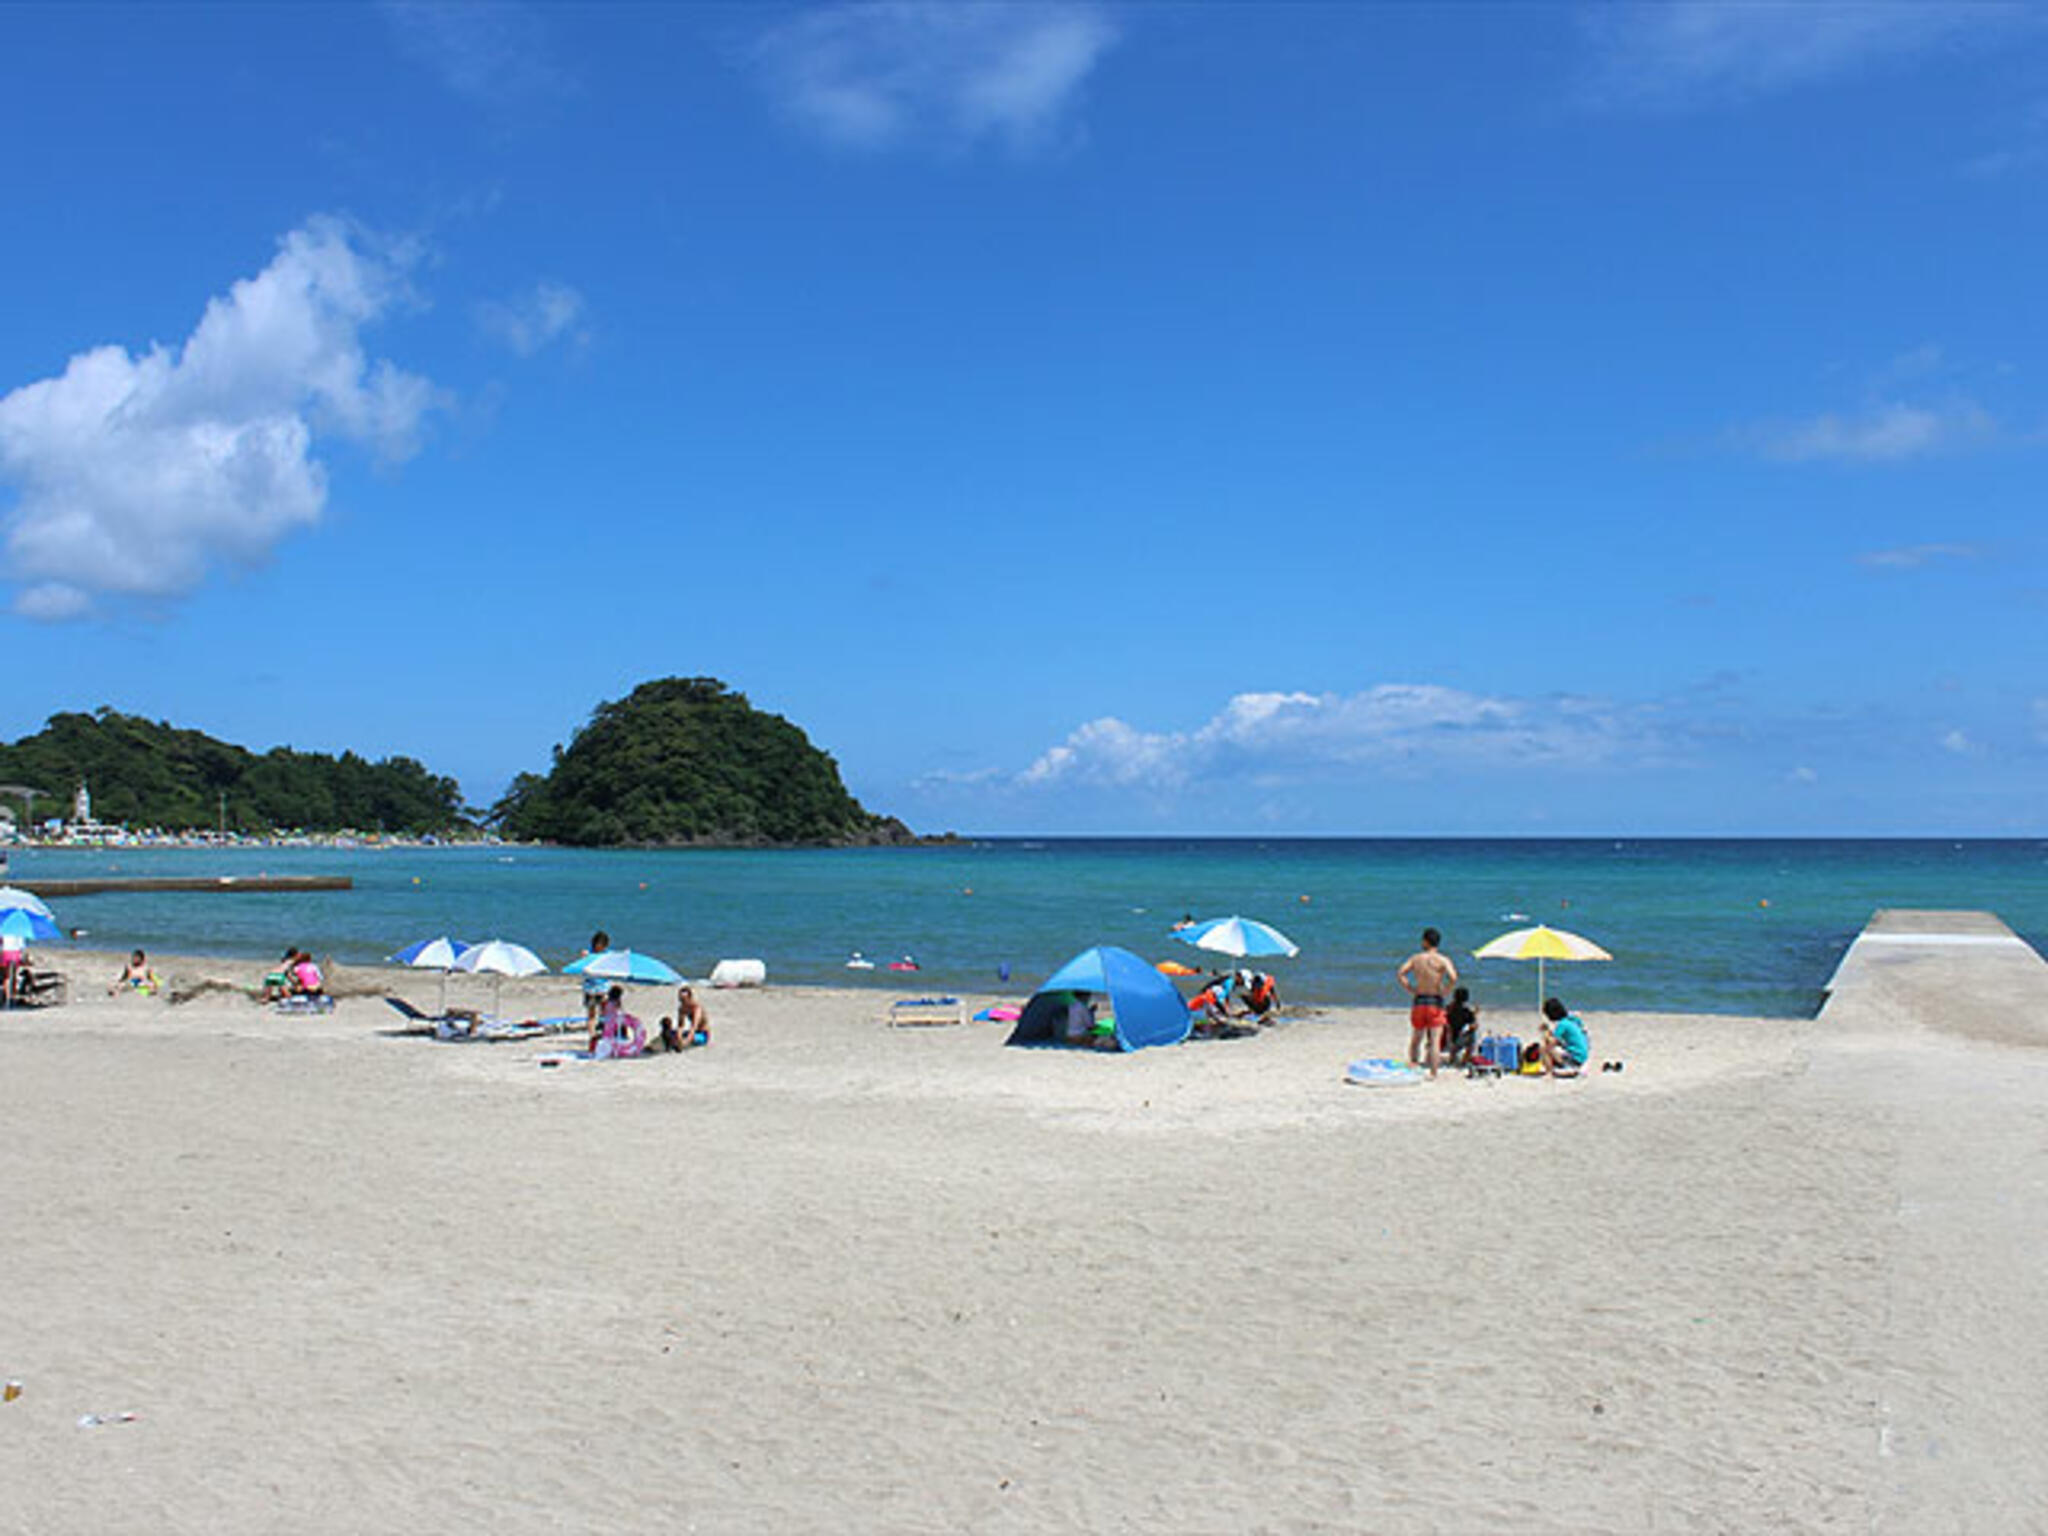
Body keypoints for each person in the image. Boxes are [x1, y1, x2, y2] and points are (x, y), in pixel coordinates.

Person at [1397, 927, 1458, 1080]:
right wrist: (1446, 991)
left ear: (1425, 941)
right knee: (1435, 1040)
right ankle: (1433, 1072)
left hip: (1419, 999)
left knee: (1416, 1038)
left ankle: (1413, 1066)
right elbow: (1453, 977)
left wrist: (1410, 988)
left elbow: (1401, 973)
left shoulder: (1416, 958)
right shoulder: (1443, 960)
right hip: (1435, 1000)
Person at [1538, 996, 1590, 1076]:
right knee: (1557, 1048)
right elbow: (1560, 1041)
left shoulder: (1562, 1024)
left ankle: (1550, 1072)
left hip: (1574, 1058)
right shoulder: (1571, 1020)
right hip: (1583, 1057)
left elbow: (1551, 1043)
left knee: (1543, 1048)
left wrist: (1545, 1032)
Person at [661, 984, 710, 1051]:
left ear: (689, 998)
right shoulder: (682, 1009)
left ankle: (677, 1043)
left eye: (683, 1000)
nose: (682, 1002)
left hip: (702, 1034)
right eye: (680, 1000)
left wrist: (685, 1042)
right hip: (691, 1032)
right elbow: (681, 1025)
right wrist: (679, 1034)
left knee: (690, 1037)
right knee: (669, 1033)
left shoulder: (697, 1009)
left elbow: (694, 1027)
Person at [579, 931, 612, 1028]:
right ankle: (592, 1035)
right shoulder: (588, 953)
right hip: (590, 988)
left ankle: (603, 1029)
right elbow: (582, 967)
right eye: (598, 944)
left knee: (605, 1012)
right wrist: (584, 958)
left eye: (602, 945)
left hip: (603, 987)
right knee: (591, 1014)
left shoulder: (607, 954)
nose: (599, 947)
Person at [1443, 986, 1479, 1066]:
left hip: (1448, 1039)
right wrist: (1475, 1016)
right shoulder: (1466, 1011)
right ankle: (1464, 1060)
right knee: (1472, 1034)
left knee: (1461, 1032)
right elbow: (1473, 1025)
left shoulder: (1449, 1008)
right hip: (1458, 1040)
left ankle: (1452, 1057)